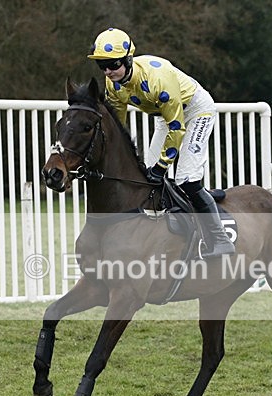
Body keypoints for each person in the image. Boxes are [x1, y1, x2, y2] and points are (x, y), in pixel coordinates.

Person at [88, 27, 236, 257]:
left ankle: (220, 238)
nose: (108, 71)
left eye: (113, 64)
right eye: (102, 65)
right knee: (145, 177)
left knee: (186, 178)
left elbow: (177, 128)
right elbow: (118, 126)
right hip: (165, 117)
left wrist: (162, 166)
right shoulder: (112, 85)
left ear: (127, 59)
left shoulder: (157, 80)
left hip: (196, 111)